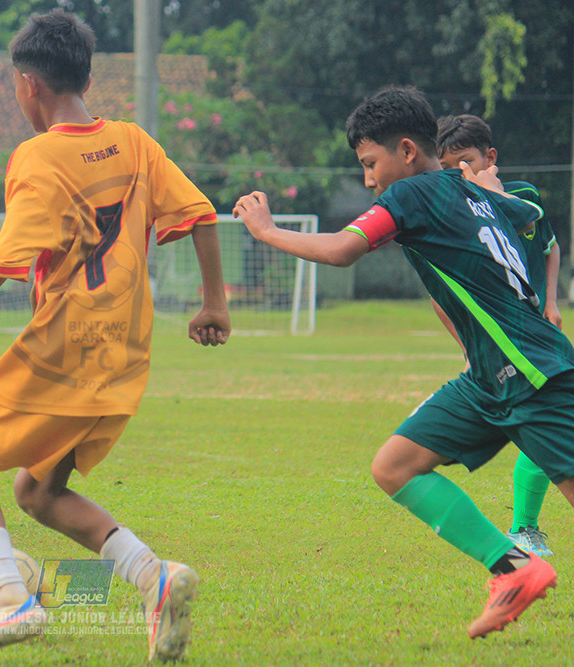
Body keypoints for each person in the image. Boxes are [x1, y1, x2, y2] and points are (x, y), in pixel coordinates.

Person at [0, 10, 230, 664]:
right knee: (37, 490)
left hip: (65, 343)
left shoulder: (38, 155)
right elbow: (202, 214)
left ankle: (10, 597)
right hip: (126, 353)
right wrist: (214, 304)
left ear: (29, 85)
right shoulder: (133, 141)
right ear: (85, 74)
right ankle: (157, 577)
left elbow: (9, 254)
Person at [233, 86, 569, 639]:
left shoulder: (414, 194)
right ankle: (514, 569)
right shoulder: (467, 190)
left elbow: (343, 250)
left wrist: (267, 231)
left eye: (371, 163)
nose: (368, 180)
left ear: (407, 150)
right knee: (394, 466)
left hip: (533, 374)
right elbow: (512, 229)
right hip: (490, 375)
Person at [435, 114, 560, 558]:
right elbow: (440, 293)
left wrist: (552, 302)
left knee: (545, 426)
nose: (460, 176)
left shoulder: (522, 196)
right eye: (449, 168)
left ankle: (523, 533)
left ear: (490, 157)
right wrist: (470, 347)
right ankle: (522, 532)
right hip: (502, 341)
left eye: (466, 163)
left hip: (537, 332)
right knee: (543, 425)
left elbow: (549, 245)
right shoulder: (450, 213)